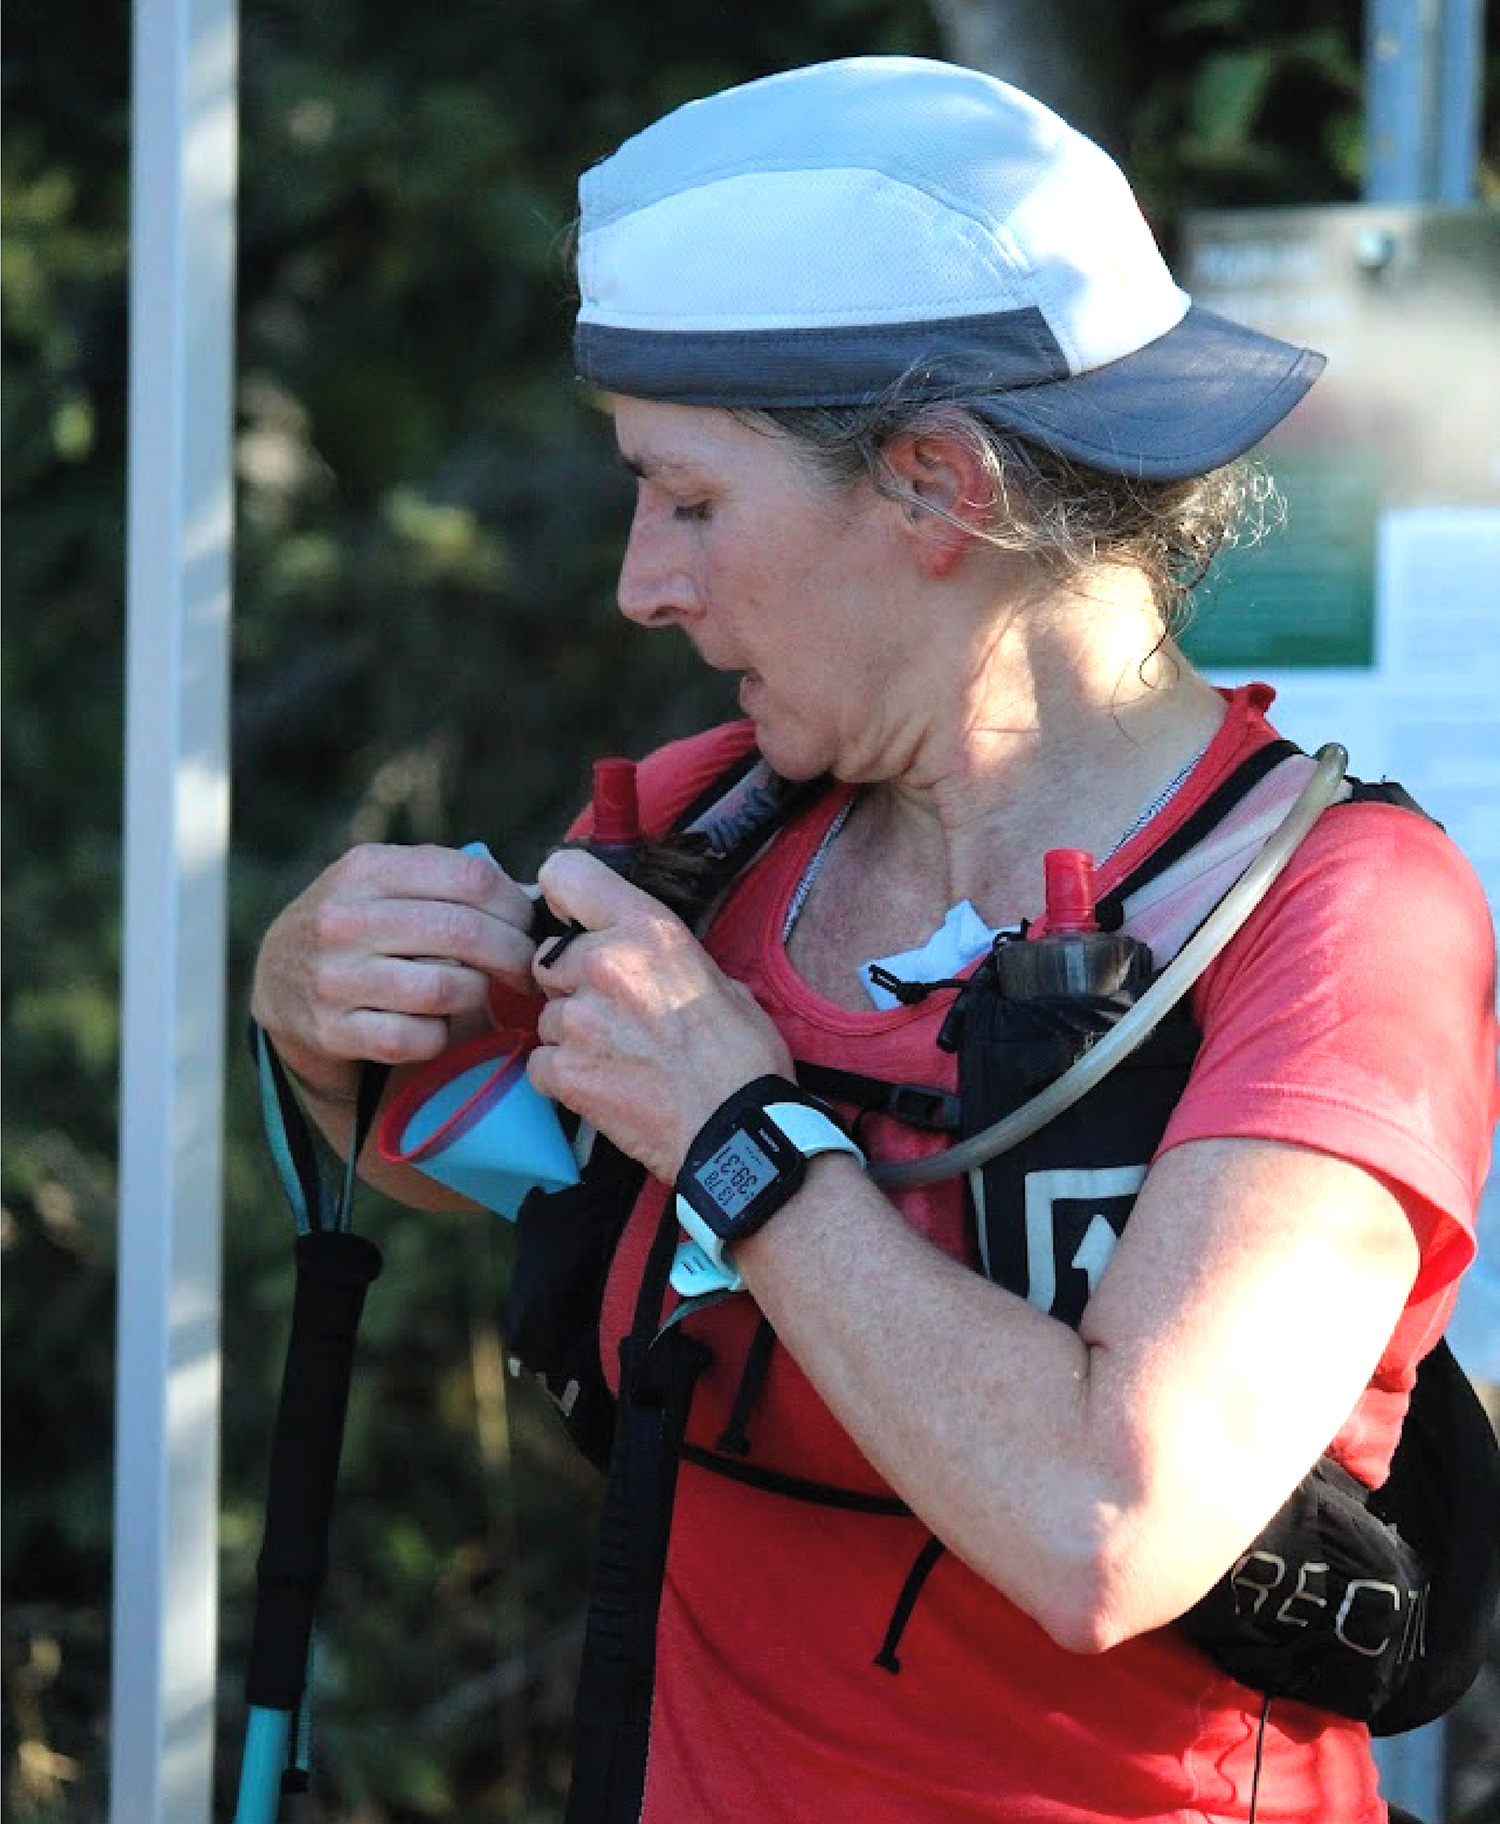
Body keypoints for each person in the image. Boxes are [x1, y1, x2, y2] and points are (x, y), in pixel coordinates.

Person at [250, 56, 1499, 1824]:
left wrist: (745, 1142)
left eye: (689, 501)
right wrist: (322, 1014)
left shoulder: (1336, 916)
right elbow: (501, 1158)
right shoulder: (710, 831)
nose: (642, 584)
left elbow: (1109, 1524)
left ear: (933, 487)